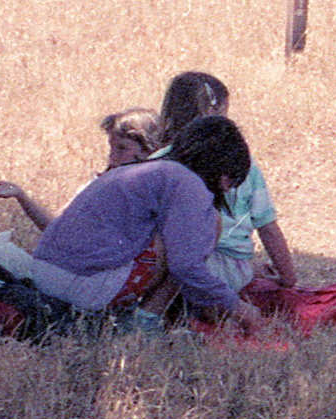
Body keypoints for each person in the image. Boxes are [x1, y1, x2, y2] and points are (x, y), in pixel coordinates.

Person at [31, 115, 266, 333]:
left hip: (44, 274)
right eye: (230, 181)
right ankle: (143, 325)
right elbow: (185, 266)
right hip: (80, 286)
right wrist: (240, 309)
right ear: (222, 172)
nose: (226, 190)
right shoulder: (189, 184)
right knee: (200, 230)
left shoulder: (144, 170)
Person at [153, 71, 298, 293]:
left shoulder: (159, 160)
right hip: (227, 266)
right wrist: (288, 277)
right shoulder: (240, 163)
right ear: (214, 113)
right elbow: (267, 226)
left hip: (163, 263)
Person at [0, 107, 163, 230]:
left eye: (122, 148)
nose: (112, 156)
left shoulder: (158, 193)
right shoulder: (98, 186)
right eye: (111, 146)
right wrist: (21, 196)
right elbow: (56, 229)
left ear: (150, 149)